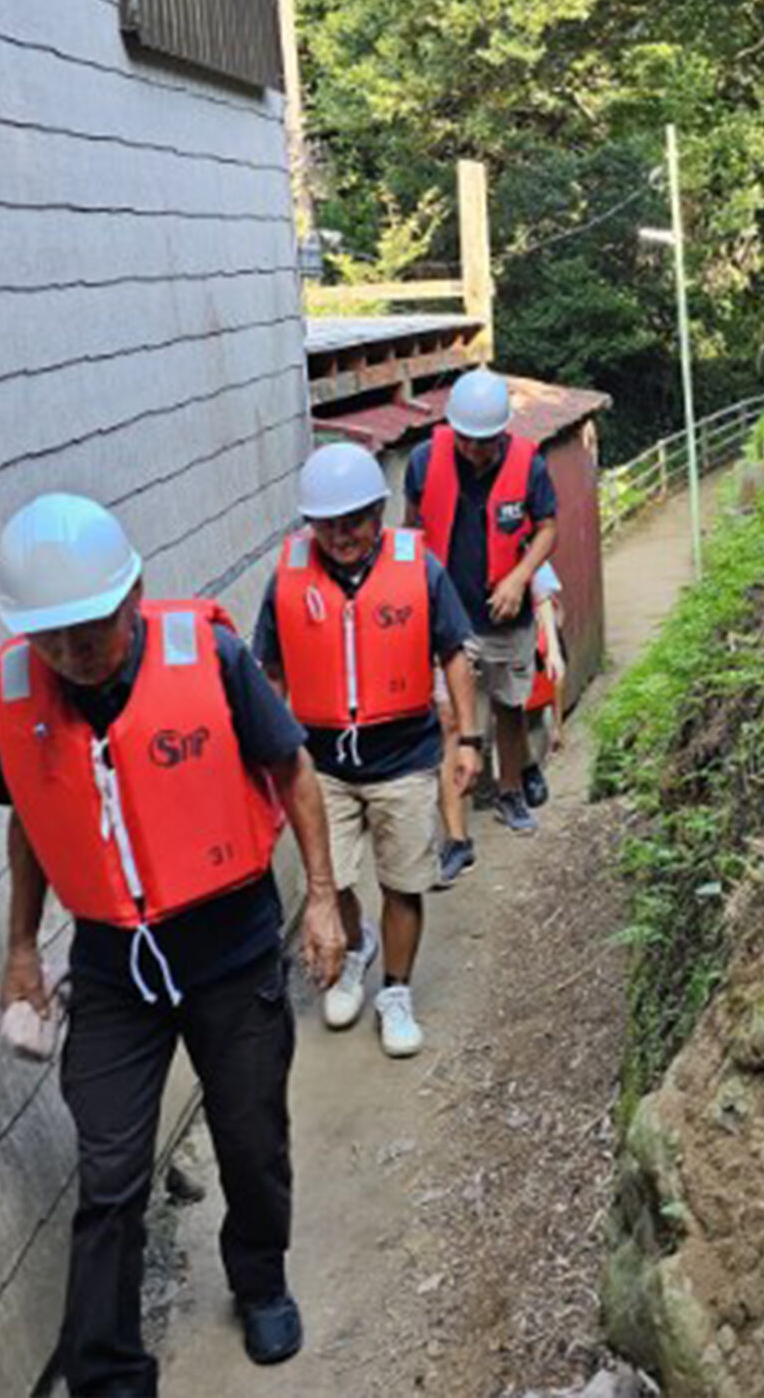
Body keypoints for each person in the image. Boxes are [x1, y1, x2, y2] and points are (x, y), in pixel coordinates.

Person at [0, 493, 345, 1394]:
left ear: (133, 593)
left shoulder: (212, 656)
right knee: (108, 1172)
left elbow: (291, 768)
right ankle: (107, 1372)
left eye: (88, 631)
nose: (70, 654)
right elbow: (30, 819)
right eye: (51, 637)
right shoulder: (21, 691)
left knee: (250, 1137)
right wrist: (22, 947)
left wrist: (324, 900)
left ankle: (259, 1278)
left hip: (227, 947)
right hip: (113, 965)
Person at [255, 443, 480, 1057]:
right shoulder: (286, 581)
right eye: (326, 524)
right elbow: (269, 674)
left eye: (353, 521)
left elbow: (456, 653)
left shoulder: (421, 570)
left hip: (403, 756)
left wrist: (469, 738)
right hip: (319, 763)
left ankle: (397, 991)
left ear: (378, 512)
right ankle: (357, 949)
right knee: (336, 880)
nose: (341, 535)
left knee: (404, 881)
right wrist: (265, 760)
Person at [404, 368, 560, 848]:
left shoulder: (528, 465)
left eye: (485, 441)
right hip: (446, 618)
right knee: (450, 718)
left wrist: (519, 577)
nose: (474, 450)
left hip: (502, 614)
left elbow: (547, 527)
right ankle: (455, 836)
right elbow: (410, 531)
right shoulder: (424, 461)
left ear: (501, 433)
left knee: (510, 707)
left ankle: (510, 790)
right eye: (467, 440)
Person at [519, 561, 569, 809]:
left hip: (533, 636)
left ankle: (531, 770)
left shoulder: (531, 551)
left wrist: (558, 725)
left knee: (533, 717)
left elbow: (549, 600)